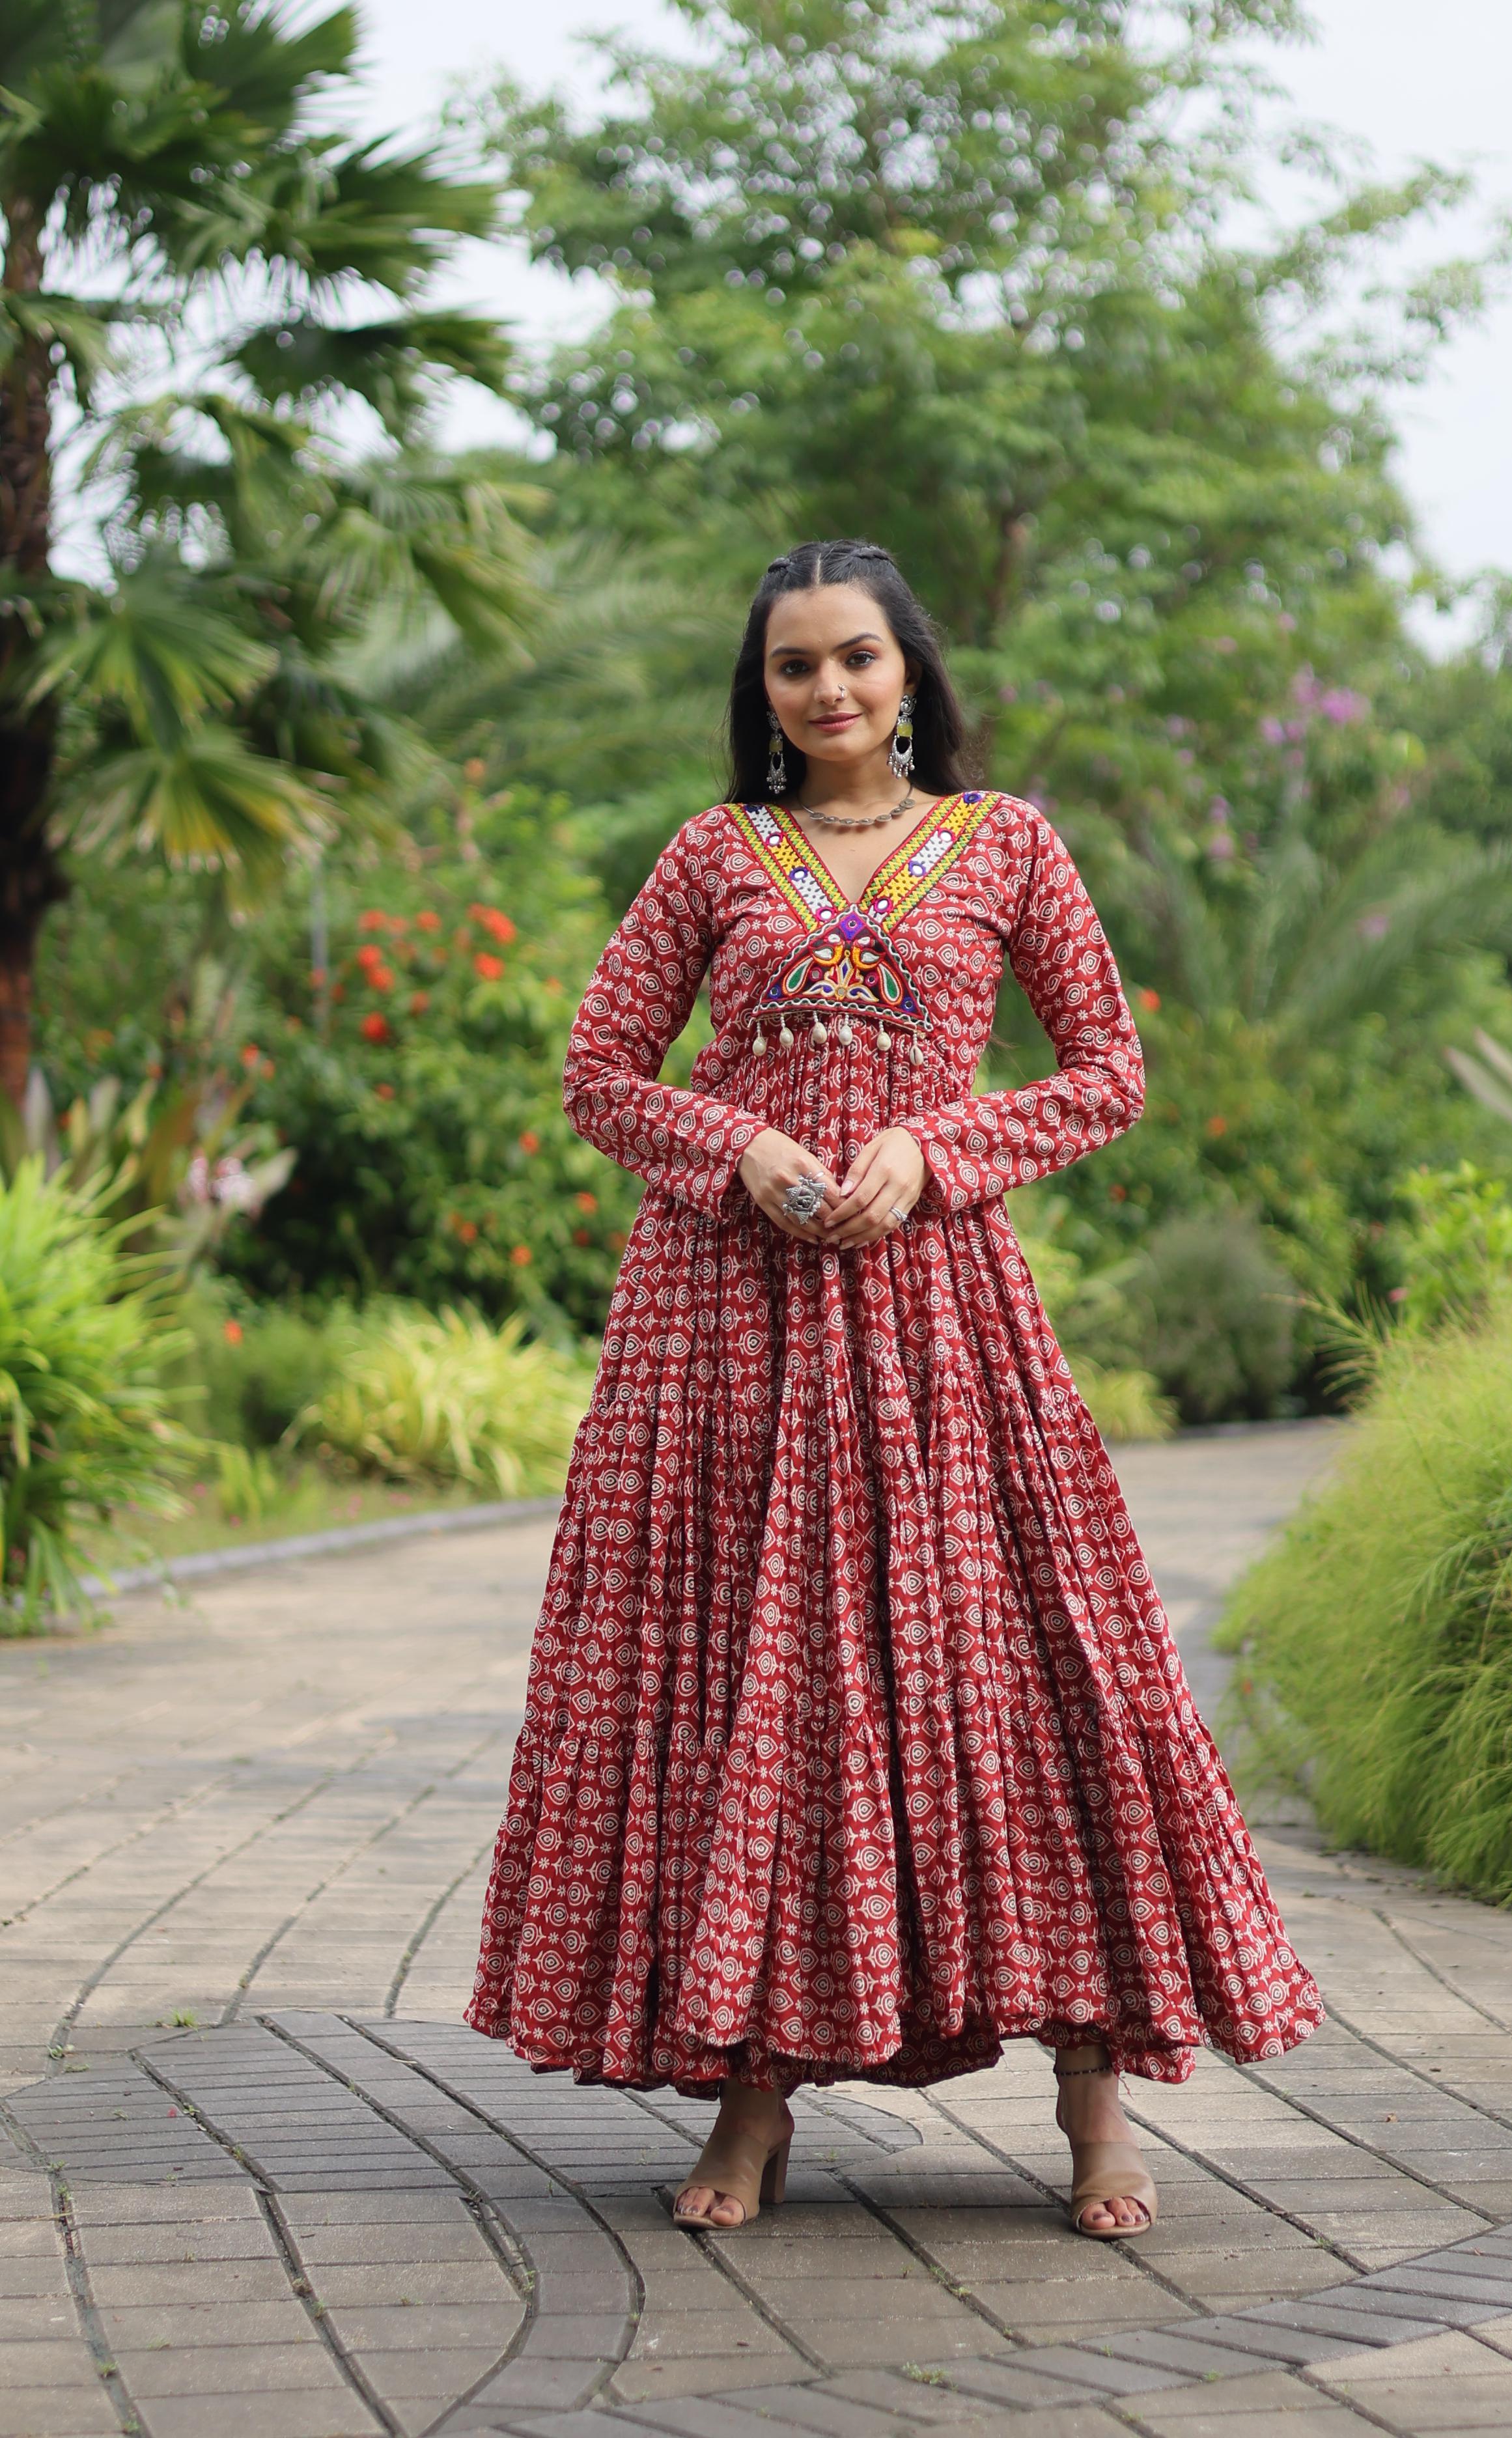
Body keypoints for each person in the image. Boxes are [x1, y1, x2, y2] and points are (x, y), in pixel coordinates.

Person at [467, 538, 1323, 2239]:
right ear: (763, 693)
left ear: (913, 674)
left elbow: (1107, 1073)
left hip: (943, 1328)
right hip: (728, 1335)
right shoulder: (714, 855)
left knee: (1029, 1680)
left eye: (859, 658)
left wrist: (935, 1150)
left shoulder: (1009, 847)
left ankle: (1099, 2124)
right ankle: (747, 2104)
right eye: (796, 667)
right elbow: (597, 1071)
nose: (831, 690)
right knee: (755, 1693)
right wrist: (746, 1146)